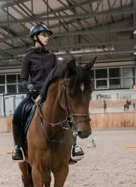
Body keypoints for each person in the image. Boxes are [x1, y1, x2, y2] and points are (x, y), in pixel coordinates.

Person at [12, 23, 84, 163]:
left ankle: (73, 146)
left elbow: (55, 76)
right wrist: (30, 87)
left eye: (47, 36)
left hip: (51, 94)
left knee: (69, 113)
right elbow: (23, 79)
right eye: (44, 35)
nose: (47, 38)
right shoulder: (28, 57)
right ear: (35, 37)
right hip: (34, 94)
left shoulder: (52, 57)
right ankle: (19, 148)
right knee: (17, 115)